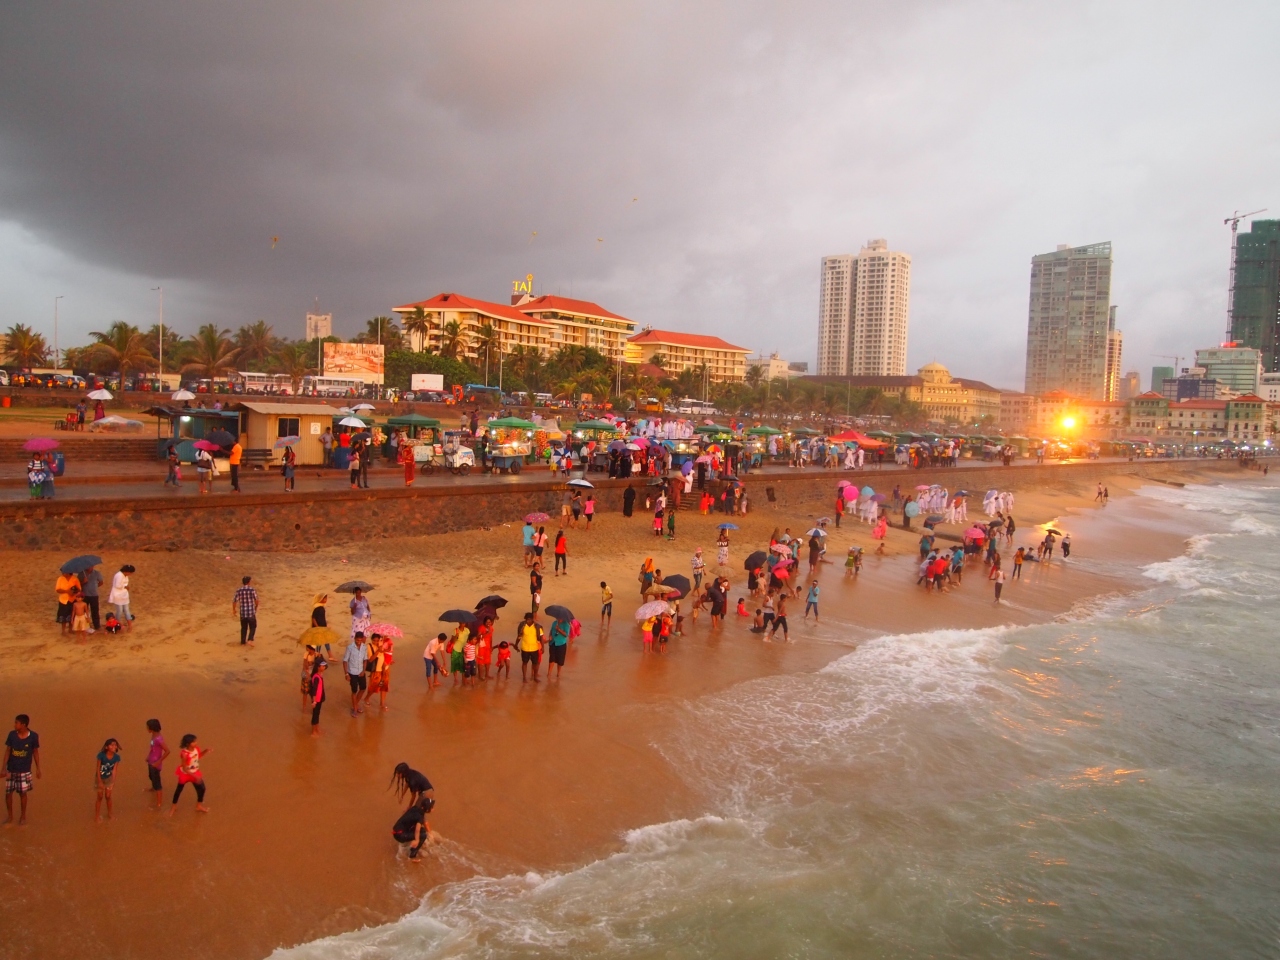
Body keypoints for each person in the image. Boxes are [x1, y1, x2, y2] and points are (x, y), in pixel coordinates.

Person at [4, 714, 41, 825]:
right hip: (11, 770)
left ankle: (23, 816)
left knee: (23, 794)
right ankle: (10, 817)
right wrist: (3, 768)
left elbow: (35, 752)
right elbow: (7, 751)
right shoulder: (11, 735)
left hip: (24, 770)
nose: (14, 725)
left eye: (16, 723)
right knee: (8, 794)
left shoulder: (33, 736)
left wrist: (38, 768)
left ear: (23, 725)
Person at [168, 734, 210, 816]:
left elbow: (199, 756)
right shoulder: (184, 754)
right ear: (188, 744)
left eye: (195, 741)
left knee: (202, 789)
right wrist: (195, 776)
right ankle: (173, 807)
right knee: (178, 791)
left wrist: (206, 751)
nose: (196, 743)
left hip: (194, 772)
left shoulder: (196, 749)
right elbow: (184, 768)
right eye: (193, 742)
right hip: (185, 774)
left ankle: (199, 805)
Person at [391, 795, 435, 860]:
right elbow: (417, 829)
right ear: (427, 809)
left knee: (422, 830)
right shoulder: (420, 817)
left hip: (397, 831)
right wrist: (417, 840)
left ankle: (410, 845)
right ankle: (412, 855)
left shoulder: (415, 808)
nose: (433, 809)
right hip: (400, 835)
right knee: (423, 835)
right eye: (432, 807)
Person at [94, 738, 122, 822]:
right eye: (112, 745)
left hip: (109, 778)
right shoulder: (101, 755)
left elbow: (114, 770)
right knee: (99, 796)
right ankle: (97, 815)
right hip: (100, 777)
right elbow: (98, 768)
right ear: (107, 747)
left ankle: (110, 813)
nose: (114, 747)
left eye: (115, 745)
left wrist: (112, 782)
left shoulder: (117, 758)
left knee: (108, 796)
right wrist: (99, 781)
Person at [145, 718, 169, 810]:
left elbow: (167, 751)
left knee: (157, 784)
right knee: (151, 776)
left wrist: (159, 762)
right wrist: (148, 756)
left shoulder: (158, 739)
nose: (146, 728)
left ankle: (159, 803)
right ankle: (152, 788)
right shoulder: (153, 736)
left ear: (151, 728)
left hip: (155, 764)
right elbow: (153, 748)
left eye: (147, 727)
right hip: (151, 761)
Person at [344, 632, 369, 716]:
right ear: (355, 639)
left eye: (360, 640)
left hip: (361, 671)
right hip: (352, 672)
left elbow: (365, 659)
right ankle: (355, 709)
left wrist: (363, 671)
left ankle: (355, 704)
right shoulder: (350, 648)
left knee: (363, 688)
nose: (359, 642)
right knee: (354, 690)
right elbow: (345, 661)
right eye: (357, 640)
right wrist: (346, 674)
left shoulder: (364, 647)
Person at [516, 612, 544, 683]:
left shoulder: (537, 627)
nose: (527, 621)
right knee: (524, 663)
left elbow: (541, 638)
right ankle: (524, 678)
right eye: (526, 619)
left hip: (534, 648)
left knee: (536, 663)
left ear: (532, 619)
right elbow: (519, 636)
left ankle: (535, 677)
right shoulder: (522, 626)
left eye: (529, 619)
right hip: (525, 648)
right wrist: (516, 644)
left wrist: (542, 647)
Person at [233, 575, 259, 647]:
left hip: (243, 613)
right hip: (250, 612)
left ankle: (243, 642)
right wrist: (256, 607)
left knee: (244, 628)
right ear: (249, 582)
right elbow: (256, 600)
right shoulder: (252, 590)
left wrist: (234, 610)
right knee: (253, 626)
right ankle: (250, 640)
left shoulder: (239, 590)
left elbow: (234, 601)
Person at [108, 564, 135, 631]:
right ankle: (117, 624)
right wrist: (125, 587)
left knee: (126, 610)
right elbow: (117, 585)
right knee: (119, 611)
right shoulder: (119, 575)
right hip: (118, 595)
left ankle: (130, 625)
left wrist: (125, 587)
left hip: (124, 595)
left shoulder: (125, 576)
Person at [368, 635, 391, 709]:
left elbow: (387, 653)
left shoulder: (382, 643)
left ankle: (382, 703)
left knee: (384, 686)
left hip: (385, 668)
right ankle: (366, 698)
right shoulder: (369, 646)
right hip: (376, 669)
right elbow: (371, 659)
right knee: (374, 687)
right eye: (374, 640)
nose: (376, 642)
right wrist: (378, 651)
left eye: (377, 640)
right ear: (371, 640)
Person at [55, 568, 80, 635]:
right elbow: (57, 589)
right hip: (63, 600)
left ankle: (70, 629)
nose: (63, 574)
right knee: (63, 616)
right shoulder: (60, 579)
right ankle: (63, 631)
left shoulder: (74, 579)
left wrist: (73, 592)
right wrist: (67, 591)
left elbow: (79, 589)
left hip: (72, 599)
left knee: (72, 615)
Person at [311, 593, 334, 662]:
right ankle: (317, 656)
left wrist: (326, 625)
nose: (325, 600)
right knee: (319, 643)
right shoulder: (317, 607)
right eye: (324, 598)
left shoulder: (322, 607)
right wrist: (317, 627)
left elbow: (323, 618)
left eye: (326, 598)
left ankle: (330, 655)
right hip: (318, 628)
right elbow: (313, 618)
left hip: (323, 627)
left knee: (326, 640)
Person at [80, 564, 103, 632]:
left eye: (91, 566)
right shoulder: (82, 574)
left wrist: (95, 587)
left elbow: (101, 582)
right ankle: (85, 625)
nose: (90, 567)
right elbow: (78, 584)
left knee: (95, 611)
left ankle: (97, 625)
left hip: (94, 595)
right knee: (84, 611)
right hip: (84, 595)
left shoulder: (97, 573)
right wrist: (83, 582)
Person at [308, 660, 327, 736]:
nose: (324, 667)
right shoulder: (316, 677)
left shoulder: (319, 676)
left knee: (317, 714)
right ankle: (313, 732)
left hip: (320, 699)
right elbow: (314, 690)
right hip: (317, 700)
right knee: (315, 715)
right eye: (322, 666)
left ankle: (317, 728)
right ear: (318, 667)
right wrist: (314, 701)